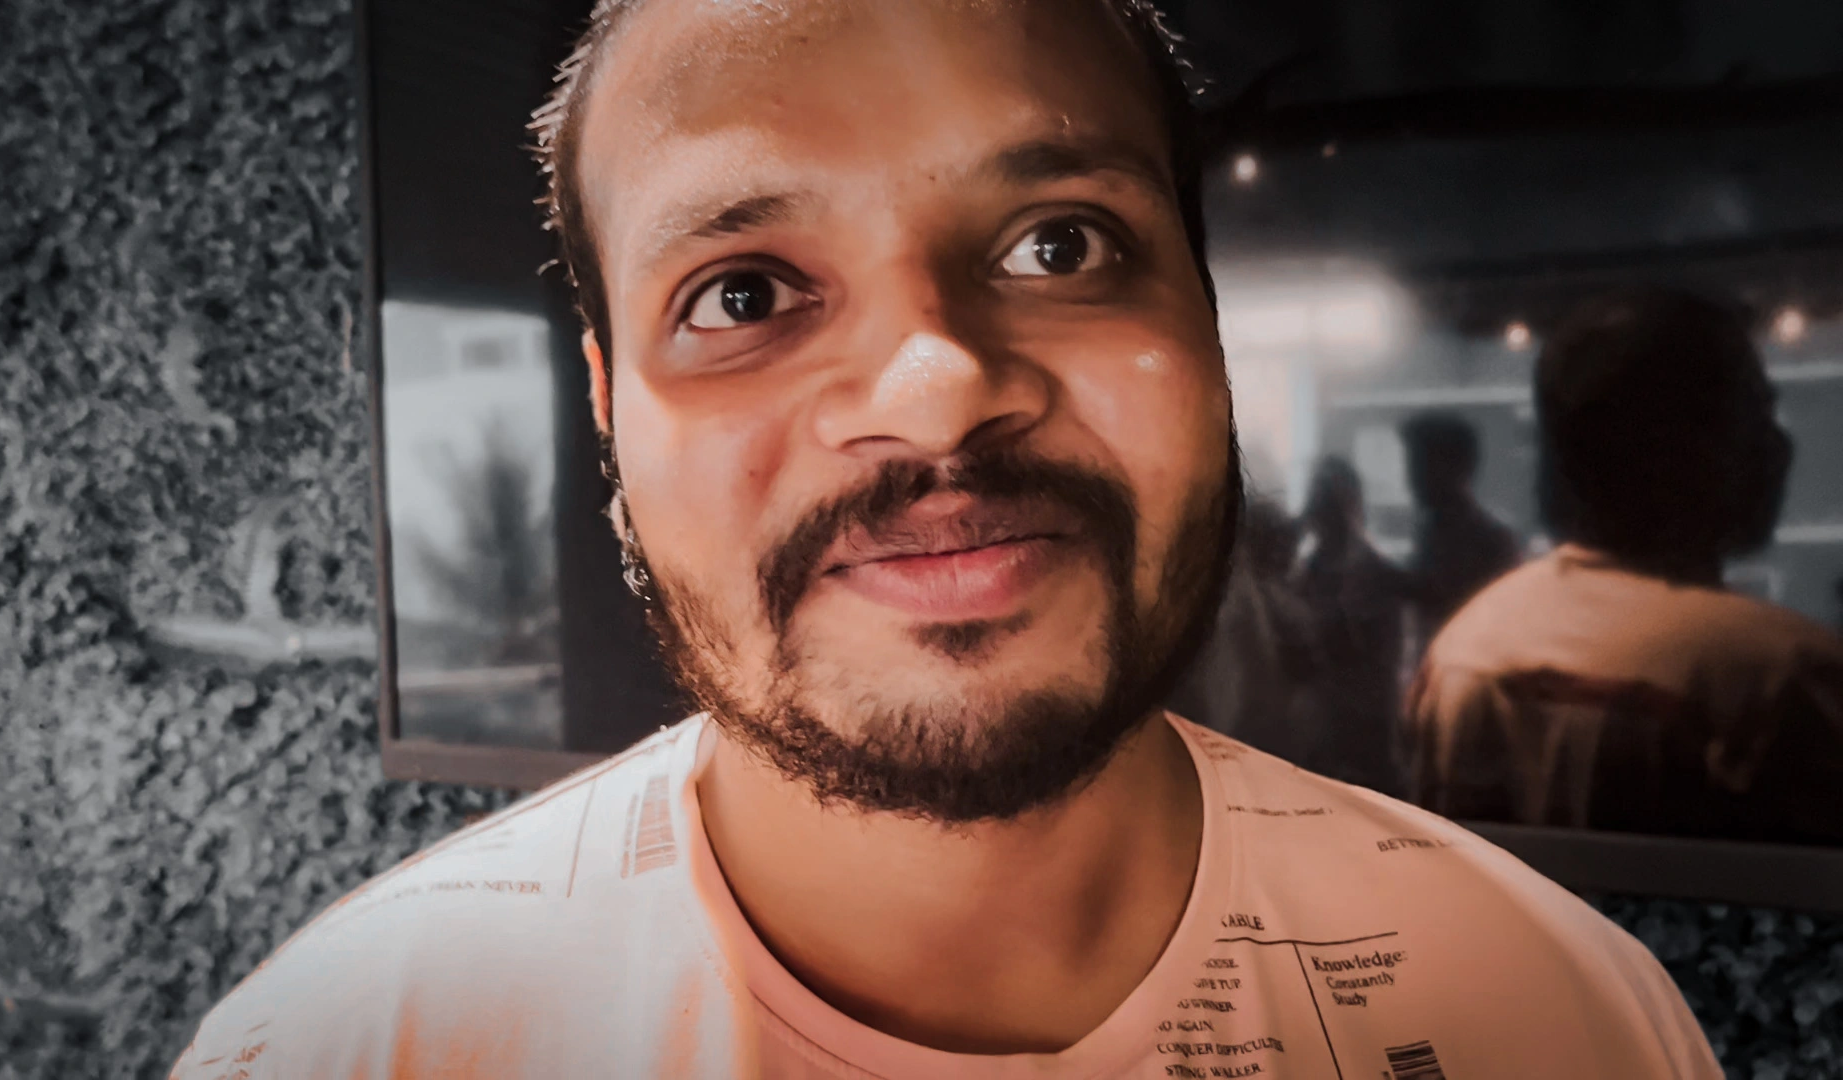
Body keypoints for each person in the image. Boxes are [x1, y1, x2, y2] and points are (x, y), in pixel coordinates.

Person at [173, 4, 1719, 1076]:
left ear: (1207, 317)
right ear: (606, 409)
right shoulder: (346, 1049)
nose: (938, 392)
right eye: (741, 293)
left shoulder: (1560, 1014)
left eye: (1061, 245)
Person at [1408, 287, 1843, 844]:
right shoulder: (1784, 679)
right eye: (1756, 413)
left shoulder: (1462, 651)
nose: (1780, 446)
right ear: (1680, 445)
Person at [1165, 495, 1317, 762]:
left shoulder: (1257, 594)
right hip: (1227, 740)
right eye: (1283, 544)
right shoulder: (1237, 594)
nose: (1290, 556)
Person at [1292, 457, 1408, 793]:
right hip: (1318, 733)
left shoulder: (1373, 570)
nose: (1323, 511)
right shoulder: (1307, 570)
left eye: (1330, 501)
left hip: (1364, 730)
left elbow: (1367, 652)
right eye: (1319, 500)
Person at [1398, 411, 1519, 651]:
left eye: (1421, 464)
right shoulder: (1428, 533)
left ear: (1460, 466)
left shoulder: (1492, 541)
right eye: (1411, 464)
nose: (1411, 478)